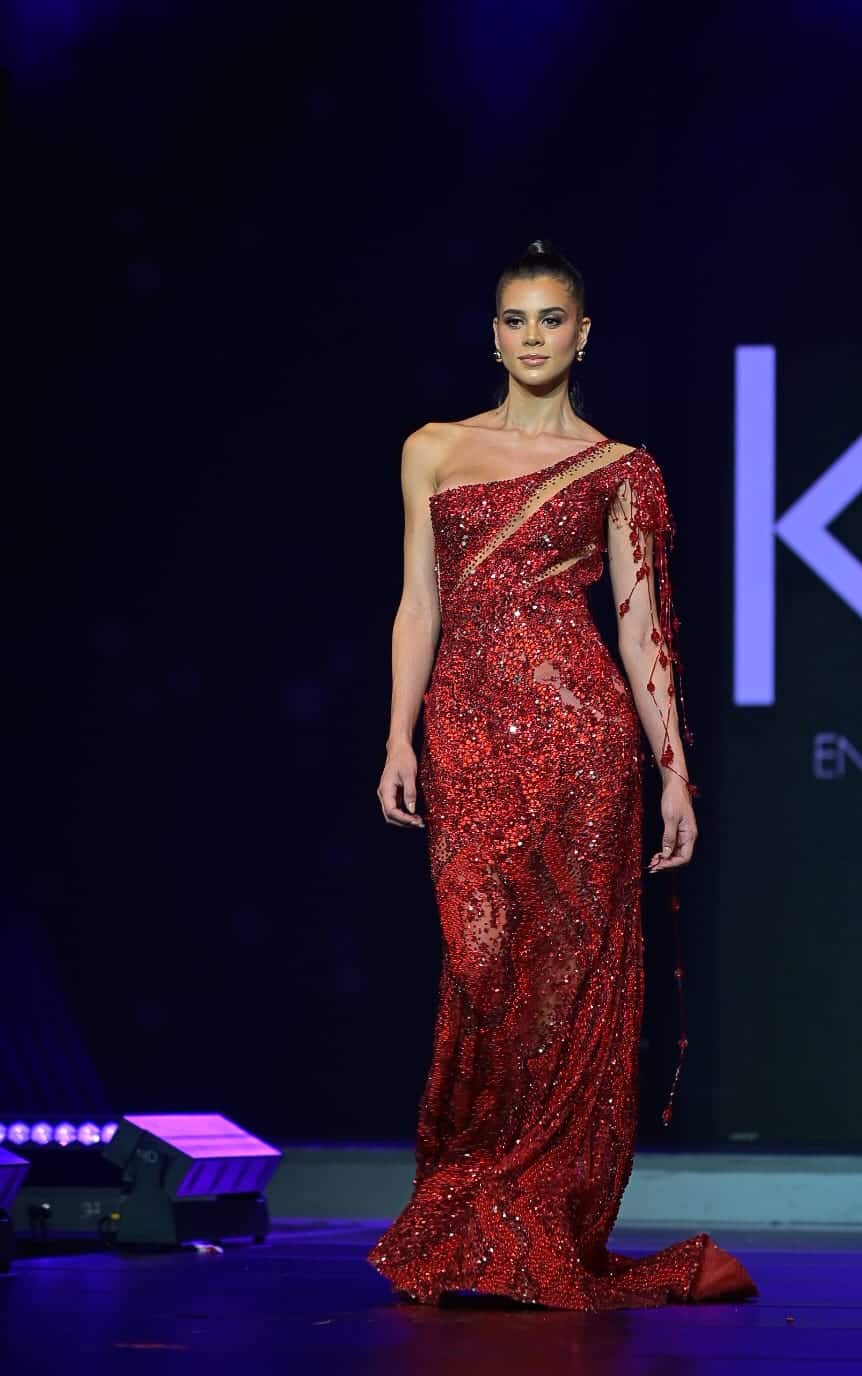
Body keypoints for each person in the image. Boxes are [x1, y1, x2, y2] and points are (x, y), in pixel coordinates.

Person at [368, 240, 758, 1309]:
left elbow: (641, 634)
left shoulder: (622, 467)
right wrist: (398, 737)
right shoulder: (433, 448)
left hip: (583, 740)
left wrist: (673, 774)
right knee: (483, 957)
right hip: (464, 729)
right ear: (490, 332)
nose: (531, 336)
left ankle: (532, 1211)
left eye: (551, 319)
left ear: (582, 334)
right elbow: (419, 601)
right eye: (513, 318)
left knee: (565, 978)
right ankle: (470, 1201)